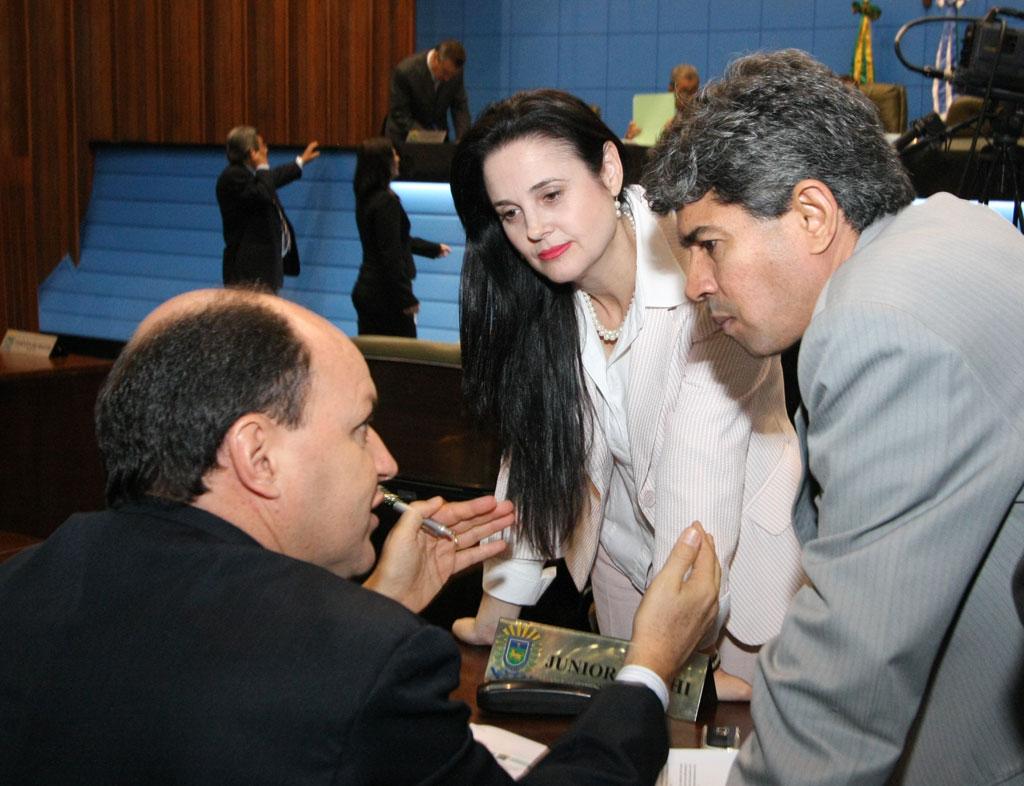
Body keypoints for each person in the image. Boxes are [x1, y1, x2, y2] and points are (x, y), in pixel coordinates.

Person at [0, 287, 723, 785]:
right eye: (360, 429)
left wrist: (376, 605)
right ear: (257, 457)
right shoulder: (366, 661)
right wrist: (648, 668)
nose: (386, 462)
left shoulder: (20, 586)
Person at [644, 49, 1024, 784]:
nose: (695, 284)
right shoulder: (952, 225)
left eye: (710, 245)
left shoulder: (874, 326)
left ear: (812, 215)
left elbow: (855, 670)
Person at [449, 89, 804, 700]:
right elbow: (534, 455)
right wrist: (497, 612)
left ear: (609, 169)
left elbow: (700, 491)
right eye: (509, 213)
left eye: (551, 195)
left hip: (739, 579)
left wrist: (673, 667)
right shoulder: (547, 297)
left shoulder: (703, 276)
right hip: (623, 566)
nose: (533, 230)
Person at [351, 137, 452, 337]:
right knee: (402, 355)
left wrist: (431, 248)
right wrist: (407, 299)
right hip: (386, 297)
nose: (397, 159)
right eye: (393, 154)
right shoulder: (386, 202)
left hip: (368, 291)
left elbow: (393, 241)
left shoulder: (366, 198)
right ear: (383, 163)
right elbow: (391, 256)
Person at [216, 126, 319, 292]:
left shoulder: (248, 175)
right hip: (248, 274)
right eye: (262, 145)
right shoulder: (232, 177)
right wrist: (262, 166)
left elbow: (271, 179)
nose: (266, 149)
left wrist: (300, 162)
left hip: (262, 271)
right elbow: (263, 192)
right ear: (252, 152)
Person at [384, 39, 470, 148]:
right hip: (404, 136)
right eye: (445, 72)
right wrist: (426, 137)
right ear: (435, 58)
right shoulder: (405, 71)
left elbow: (460, 106)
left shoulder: (455, 73)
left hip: (437, 138)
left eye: (451, 75)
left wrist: (463, 139)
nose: (447, 79)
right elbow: (400, 114)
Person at [625, 63, 700, 142]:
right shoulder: (652, 116)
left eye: (693, 91)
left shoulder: (702, 120)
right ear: (671, 89)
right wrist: (629, 139)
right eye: (684, 91)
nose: (689, 97)